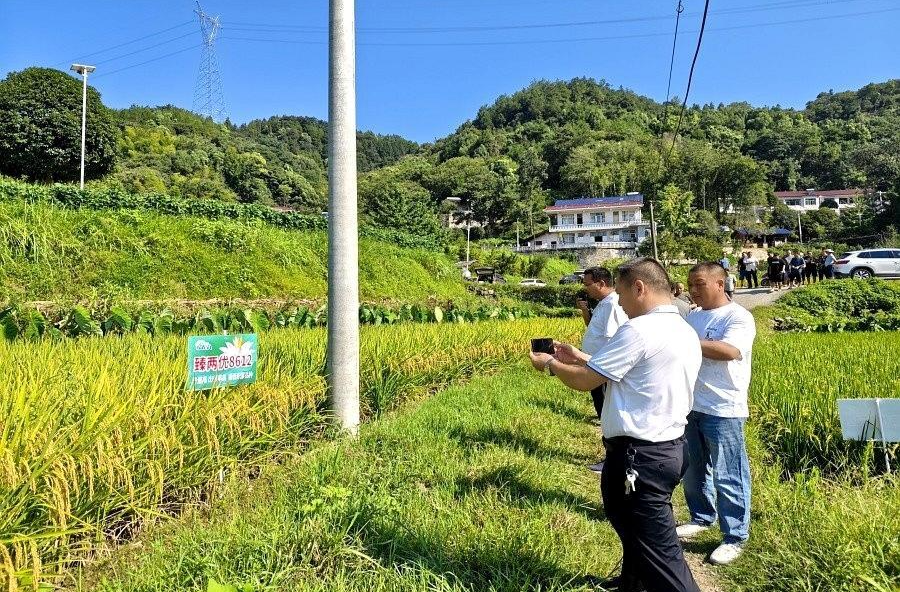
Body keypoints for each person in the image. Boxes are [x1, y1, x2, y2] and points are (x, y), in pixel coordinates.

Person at [530, 258, 702, 592]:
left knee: (661, 552)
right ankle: (631, 585)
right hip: (667, 448)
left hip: (640, 457)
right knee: (632, 527)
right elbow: (632, 371)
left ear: (639, 288)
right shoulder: (681, 328)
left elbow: (584, 382)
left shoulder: (639, 329)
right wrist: (580, 357)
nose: (619, 303)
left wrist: (551, 363)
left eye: (621, 294)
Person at [679, 262, 756, 566]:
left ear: (720, 284)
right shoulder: (693, 317)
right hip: (691, 405)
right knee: (693, 470)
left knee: (728, 474)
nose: (692, 290)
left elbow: (730, 351)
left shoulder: (738, 316)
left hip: (723, 408)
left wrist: (683, 342)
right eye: (690, 284)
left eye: (699, 284)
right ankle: (701, 517)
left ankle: (735, 536)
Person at [576, 266, 628, 472]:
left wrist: (603, 370)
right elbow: (594, 330)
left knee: (608, 415)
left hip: (602, 371)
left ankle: (614, 459)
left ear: (601, 283)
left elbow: (613, 340)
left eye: (588, 284)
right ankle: (612, 456)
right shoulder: (603, 304)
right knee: (603, 413)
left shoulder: (613, 305)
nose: (586, 288)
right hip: (596, 367)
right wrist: (584, 311)